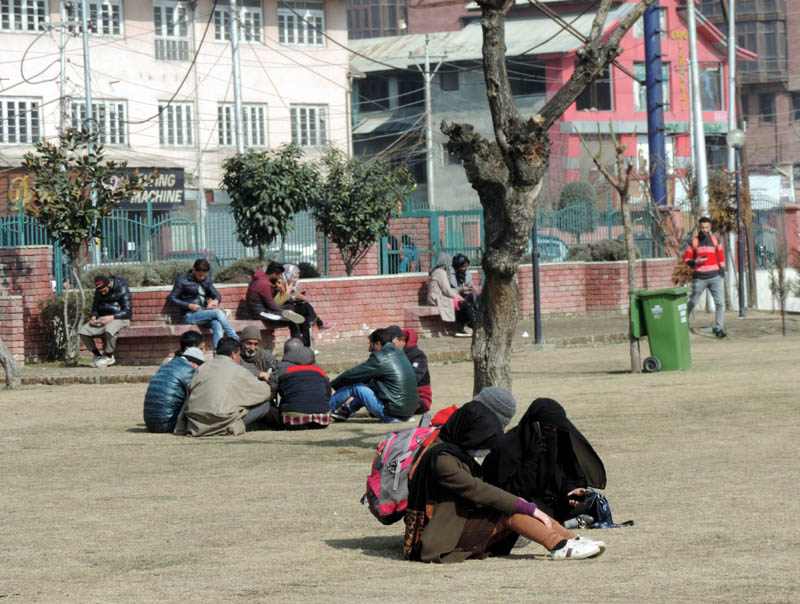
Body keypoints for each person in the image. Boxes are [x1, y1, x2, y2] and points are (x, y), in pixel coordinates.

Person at [403, 391, 605, 563]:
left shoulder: (448, 450)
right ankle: (559, 545)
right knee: (509, 509)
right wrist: (525, 506)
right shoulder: (443, 461)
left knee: (517, 504)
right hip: (434, 541)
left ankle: (571, 538)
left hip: (455, 523)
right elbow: (479, 491)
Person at [482, 397, 606, 525]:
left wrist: (570, 492)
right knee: (530, 510)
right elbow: (509, 492)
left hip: (549, 503)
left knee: (592, 501)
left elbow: (562, 476)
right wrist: (530, 462)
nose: (552, 434)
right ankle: (562, 523)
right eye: (548, 429)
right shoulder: (508, 449)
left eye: (555, 429)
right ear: (534, 425)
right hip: (514, 504)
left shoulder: (556, 441)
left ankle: (564, 520)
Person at [173, 337, 273, 437]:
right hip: (223, 423)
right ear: (234, 355)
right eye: (239, 355)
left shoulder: (202, 368)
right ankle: (237, 427)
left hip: (196, 424)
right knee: (264, 404)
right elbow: (265, 392)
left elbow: (188, 397)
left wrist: (181, 428)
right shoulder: (238, 370)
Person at [328, 327, 419, 423]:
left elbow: (354, 374)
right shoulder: (400, 353)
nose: (369, 349)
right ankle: (346, 410)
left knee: (353, 386)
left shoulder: (380, 358)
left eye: (370, 344)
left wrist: (334, 384)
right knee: (372, 383)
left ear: (378, 344)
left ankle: (325, 410)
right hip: (407, 412)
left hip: (391, 413)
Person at [168, 258, 238, 351]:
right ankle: (232, 335)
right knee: (217, 313)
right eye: (200, 275)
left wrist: (215, 301)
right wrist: (188, 305)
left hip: (204, 313)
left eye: (204, 275)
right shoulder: (182, 280)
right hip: (189, 314)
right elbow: (172, 298)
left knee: (217, 324)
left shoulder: (206, 280)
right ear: (194, 270)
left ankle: (217, 353)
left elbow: (216, 295)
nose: (202, 278)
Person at [266, 337, 331, 429]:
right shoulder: (319, 368)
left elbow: (270, 394)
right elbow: (328, 393)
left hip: (294, 420)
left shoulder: (281, 368)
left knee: (264, 408)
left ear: (285, 353)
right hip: (323, 420)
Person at [143, 346, 205, 433]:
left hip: (150, 423)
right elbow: (196, 395)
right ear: (195, 364)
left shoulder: (166, 366)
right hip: (167, 424)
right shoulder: (188, 370)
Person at [683, 216, 727, 339]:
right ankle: (683, 323)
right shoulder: (694, 242)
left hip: (715, 277)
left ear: (710, 227)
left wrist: (722, 271)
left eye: (707, 227)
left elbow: (721, 257)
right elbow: (686, 260)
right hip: (700, 278)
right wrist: (695, 261)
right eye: (702, 227)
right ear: (699, 227)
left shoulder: (715, 240)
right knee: (692, 302)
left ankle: (719, 329)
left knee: (720, 303)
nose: (704, 230)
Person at [245, 262, 308, 344]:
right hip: (259, 313)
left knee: (290, 307)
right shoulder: (264, 283)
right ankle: (298, 344)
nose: (279, 278)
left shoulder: (261, 279)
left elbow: (269, 300)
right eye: (279, 275)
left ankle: (298, 341)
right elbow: (270, 304)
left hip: (264, 309)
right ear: (274, 274)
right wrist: (282, 312)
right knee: (291, 319)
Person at [78, 275, 132, 368]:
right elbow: (95, 307)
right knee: (83, 331)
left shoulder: (122, 288)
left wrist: (112, 317)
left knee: (109, 329)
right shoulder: (99, 291)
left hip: (120, 318)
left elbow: (127, 311)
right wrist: (93, 316)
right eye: (100, 291)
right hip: (103, 318)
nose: (102, 293)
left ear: (109, 285)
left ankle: (109, 356)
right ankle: (97, 356)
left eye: (104, 290)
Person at [276, 263, 335, 336]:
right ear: (287, 276)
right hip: (285, 311)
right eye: (294, 277)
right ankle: (319, 323)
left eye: (297, 278)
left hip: (293, 310)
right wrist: (290, 296)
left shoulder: (292, 286)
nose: (296, 280)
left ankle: (306, 344)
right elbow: (277, 303)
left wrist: (298, 296)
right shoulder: (279, 286)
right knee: (305, 306)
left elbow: (294, 296)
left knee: (306, 318)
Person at [427, 251, 472, 338]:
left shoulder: (437, 271)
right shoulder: (441, 273)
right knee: (463, 304)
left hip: (436, 297)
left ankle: (462, 328)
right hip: (437, 299)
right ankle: (462, 328)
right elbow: (447, 290)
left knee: (462, 303)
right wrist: (459, 297)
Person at [398, 327, 432, 414]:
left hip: (420, 397)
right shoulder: (394, 356)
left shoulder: (419, 357)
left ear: (403, 340)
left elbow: (413, 379)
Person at [449, 253, 479, 328]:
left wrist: (471, 289)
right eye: (462, 266)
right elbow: (451, 290)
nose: (464, 269)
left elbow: (470, 285)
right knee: (466, 303)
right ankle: (467, 325)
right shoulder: (451, 274)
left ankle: (474, 323)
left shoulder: (467, 273)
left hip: (466, 294)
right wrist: (462, 289)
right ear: (457, 266)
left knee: (476, 297)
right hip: (455, 296)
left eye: (466, 267)